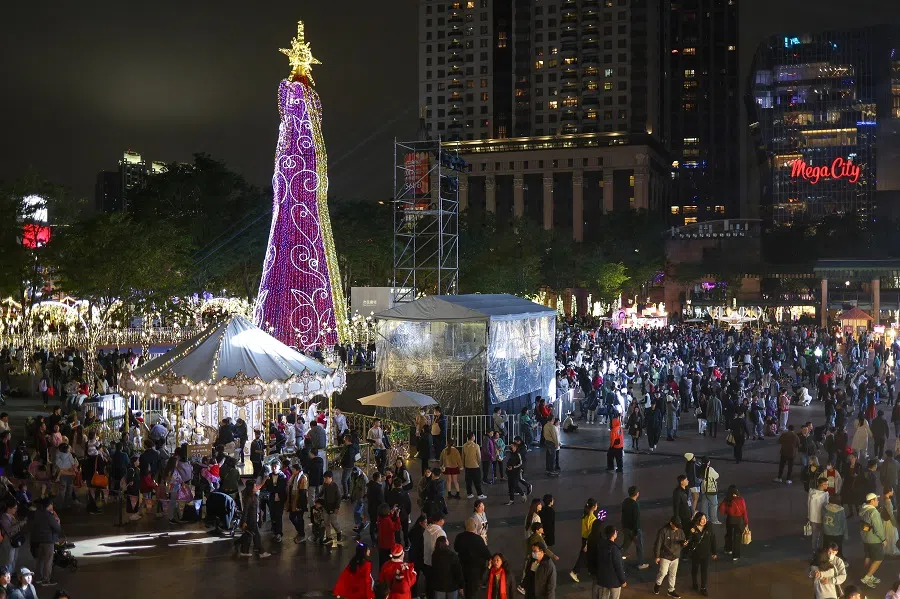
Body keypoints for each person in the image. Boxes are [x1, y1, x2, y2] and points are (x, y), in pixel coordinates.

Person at [454, 517, 491, 599]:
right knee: (472, 591)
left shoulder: (459, 537)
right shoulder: (478, 539)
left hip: (463, 567)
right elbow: (486, 553)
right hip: (475, 570)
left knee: (465, 586)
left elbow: (456, 548)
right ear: (475, 526)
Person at [653, 517, 686, 598]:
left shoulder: (680, 531)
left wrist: (684, 544)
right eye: (676, 526)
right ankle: (658, 584)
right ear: (671, 523)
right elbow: (658, 544)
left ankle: (671, 590)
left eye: (678, 526)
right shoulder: (663, 531)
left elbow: (683, 541)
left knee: (673, 574)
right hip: (665, 556)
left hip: (675, 556)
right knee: (663, 572)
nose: (677, 527)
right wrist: (657, 556)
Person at [686, 512, 717, 596]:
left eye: (705, 518)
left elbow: (713, 539)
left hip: (706, 553)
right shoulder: (693, 528)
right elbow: (689, 539)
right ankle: (694, 583)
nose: (704, 521)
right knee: (695, 569)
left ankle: (703, 587)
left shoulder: (709, 526)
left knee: (704, 571)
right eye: (702, 519)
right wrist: (688, 539)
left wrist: (714, 552)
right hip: (696, 553)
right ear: (697, 519)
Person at [31, 498, 61, 586]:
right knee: (48, 560)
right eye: (52, 504)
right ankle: (46, 579)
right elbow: (57, 528)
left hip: (38, 540)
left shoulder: (37, 514)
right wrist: (58, 522)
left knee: (40, 560)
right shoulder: (49, 516)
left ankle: (38, 578)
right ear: (49, 505)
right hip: (48, 540)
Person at [858, 492, 885, 588]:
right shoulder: (873, 512)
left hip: (865, 538)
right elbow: (878, 528)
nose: (878, 501)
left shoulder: (863, 509)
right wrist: (883, 539)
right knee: (879, 558)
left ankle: (870, 575)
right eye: (876, 499)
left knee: (868, 557)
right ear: (872, 501)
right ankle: (867, 577)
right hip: (874, 539)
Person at [591, 525, 626, 599]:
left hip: (603, 580)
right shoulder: (614, 549)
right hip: (614, 581)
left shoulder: (600, 545)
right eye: (616, 532)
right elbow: (618, 566)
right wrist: (623, 580)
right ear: (614, 534)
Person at [240, 479, 272, 558]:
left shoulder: (254, 496)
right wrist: (244, 521)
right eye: (254, 486)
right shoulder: (248, 498)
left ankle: (244, 550)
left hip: (255, 518)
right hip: (251, 520)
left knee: (248, 535)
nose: (255, 487)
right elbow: (245, 511)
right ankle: (261, 551)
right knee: (256, 535)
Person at [620, 486, 649, 569]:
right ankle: (640, 563)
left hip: (626, 528)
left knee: (625, 545)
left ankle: (616, 557)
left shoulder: (625, 502)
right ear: (637, 494)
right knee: (639, 546)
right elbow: (636, 519)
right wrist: (636, 531)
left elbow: (623, 516)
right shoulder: (635, 505)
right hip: (634, 529)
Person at [569, 498, 597, 582]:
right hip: (588, 540)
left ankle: (590, 570)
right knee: (583, 557)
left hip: (584, 538)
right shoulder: (592, 519)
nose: (597, 506)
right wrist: (587, 544)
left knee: (589, 555)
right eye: (596, 505)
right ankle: (575, 571)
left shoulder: (585, 515)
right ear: (593, 507)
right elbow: (591, 533)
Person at [717, 485, 749, 561]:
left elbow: (721, 510)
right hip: (739, 520)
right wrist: (746, 522)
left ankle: (728, 549)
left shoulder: (727, 500)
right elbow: (744, 512)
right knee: (737, 538)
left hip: (730, 519)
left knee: (729, 534)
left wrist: (727, 511)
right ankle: (736, 555)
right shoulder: (741, 500)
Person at [287, 461, 309, 543]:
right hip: (294, 501)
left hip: (299, 502)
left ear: (298, 470)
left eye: (293, 470)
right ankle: (300, 532)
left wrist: (300, 505)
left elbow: (303, 493)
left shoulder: (303, 478)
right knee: (292, 517)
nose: (292, 471)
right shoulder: (294, 477)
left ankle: (302, 534)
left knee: (299, 518)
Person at [807, 477, 830, 553]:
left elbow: (808, 504)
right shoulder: (825, 495)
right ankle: (822, 550)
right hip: (821, 518)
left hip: (812, 517)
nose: (827, 485)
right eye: (826, 484)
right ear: (821, 485)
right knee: (823, 535)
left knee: (814, 535)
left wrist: (809, 516)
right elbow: (826, 507)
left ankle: (814, 550)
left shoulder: (811, 492)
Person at [322, 470, 344, 548]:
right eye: (324, 478)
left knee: (334, 522)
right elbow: (321, 493)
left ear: (330, 478)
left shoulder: (335, 486)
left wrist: (337, 508)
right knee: (326, 522)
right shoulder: (324, 485)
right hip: (326, 506)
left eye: (326, 478)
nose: (325, 480)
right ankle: (328, 537)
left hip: (333, 507)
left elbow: (338, 497)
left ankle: (339, 533)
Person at [462, 432, 486, 499]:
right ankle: (479, 494)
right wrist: (478, 463)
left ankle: (469, 494)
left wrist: (464, 464)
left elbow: (463, 456)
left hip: (467, 466)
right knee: (477, 481)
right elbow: (479, 457)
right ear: (472, 437)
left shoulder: (464, 445)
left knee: (468, 481)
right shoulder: (476, 446)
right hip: (475, 466)